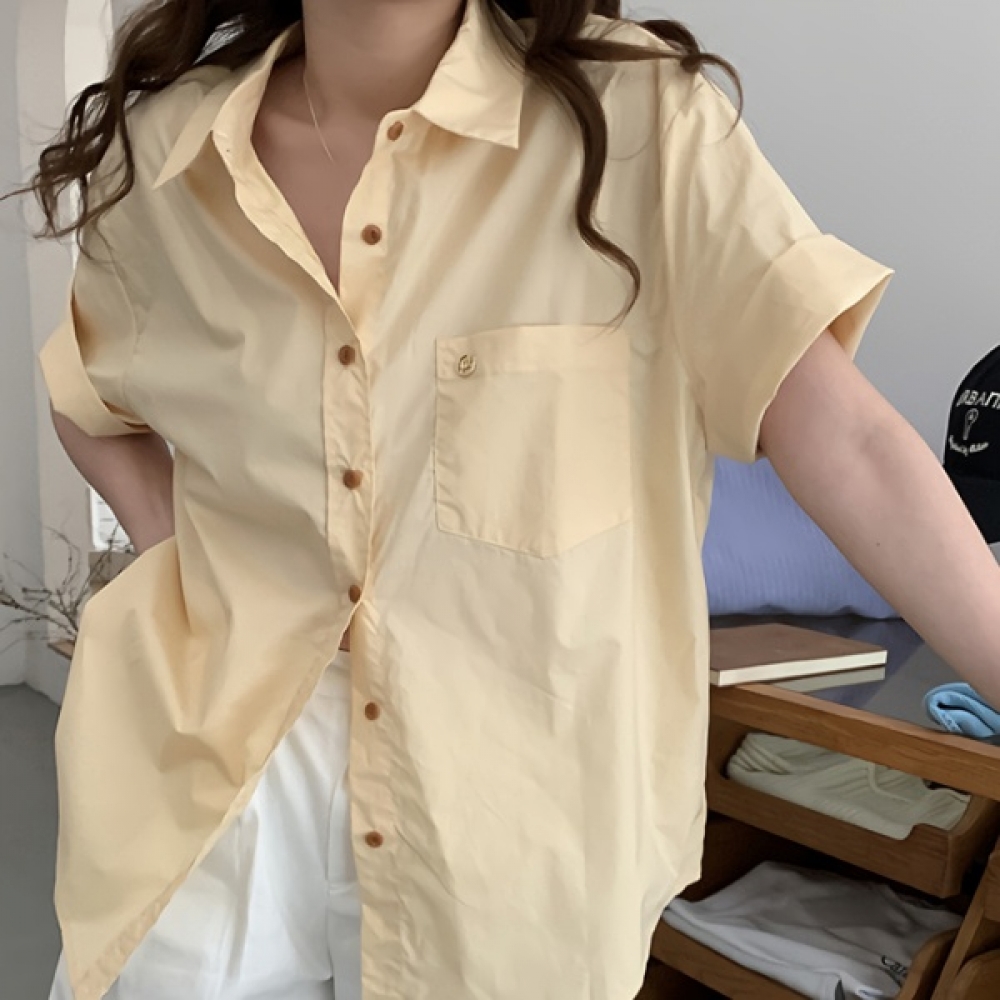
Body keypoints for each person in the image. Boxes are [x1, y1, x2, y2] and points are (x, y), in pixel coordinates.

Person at [9, 0, 1000, 998]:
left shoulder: (638, 124)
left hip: (511, 819)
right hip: (215, 774)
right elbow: (89, 400)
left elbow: (848, 440)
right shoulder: (169, 154)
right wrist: (185, 559)